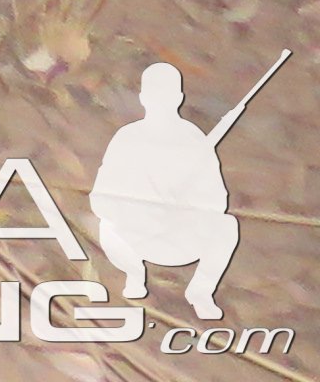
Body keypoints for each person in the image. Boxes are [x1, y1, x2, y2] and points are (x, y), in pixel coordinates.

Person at [90, 59, 250, 320]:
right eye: (155, 94)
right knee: (105, 226)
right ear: (143, 97)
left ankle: (201, 291)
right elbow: (100, 198)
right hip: (137, 236)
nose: (160, 101)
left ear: (178, 97)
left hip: (180, 237)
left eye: (166, 95)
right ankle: (134, 275)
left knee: (227, 226)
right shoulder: (127, 139)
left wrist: (187, 205)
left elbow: (218, 201)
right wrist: (136, 207)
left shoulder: (194, 140)